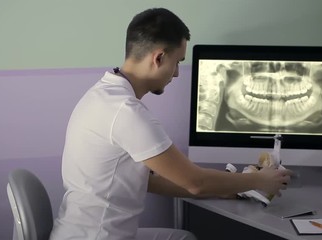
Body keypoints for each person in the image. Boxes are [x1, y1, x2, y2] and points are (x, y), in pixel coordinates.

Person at [49, 7, 293, 240]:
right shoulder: (125, 112)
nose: (176, 73)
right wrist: (260, 180)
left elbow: (148, 180)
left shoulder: (102, 94)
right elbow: (195, 182)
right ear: (159, 57)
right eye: (177, 62)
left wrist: (224, 187)